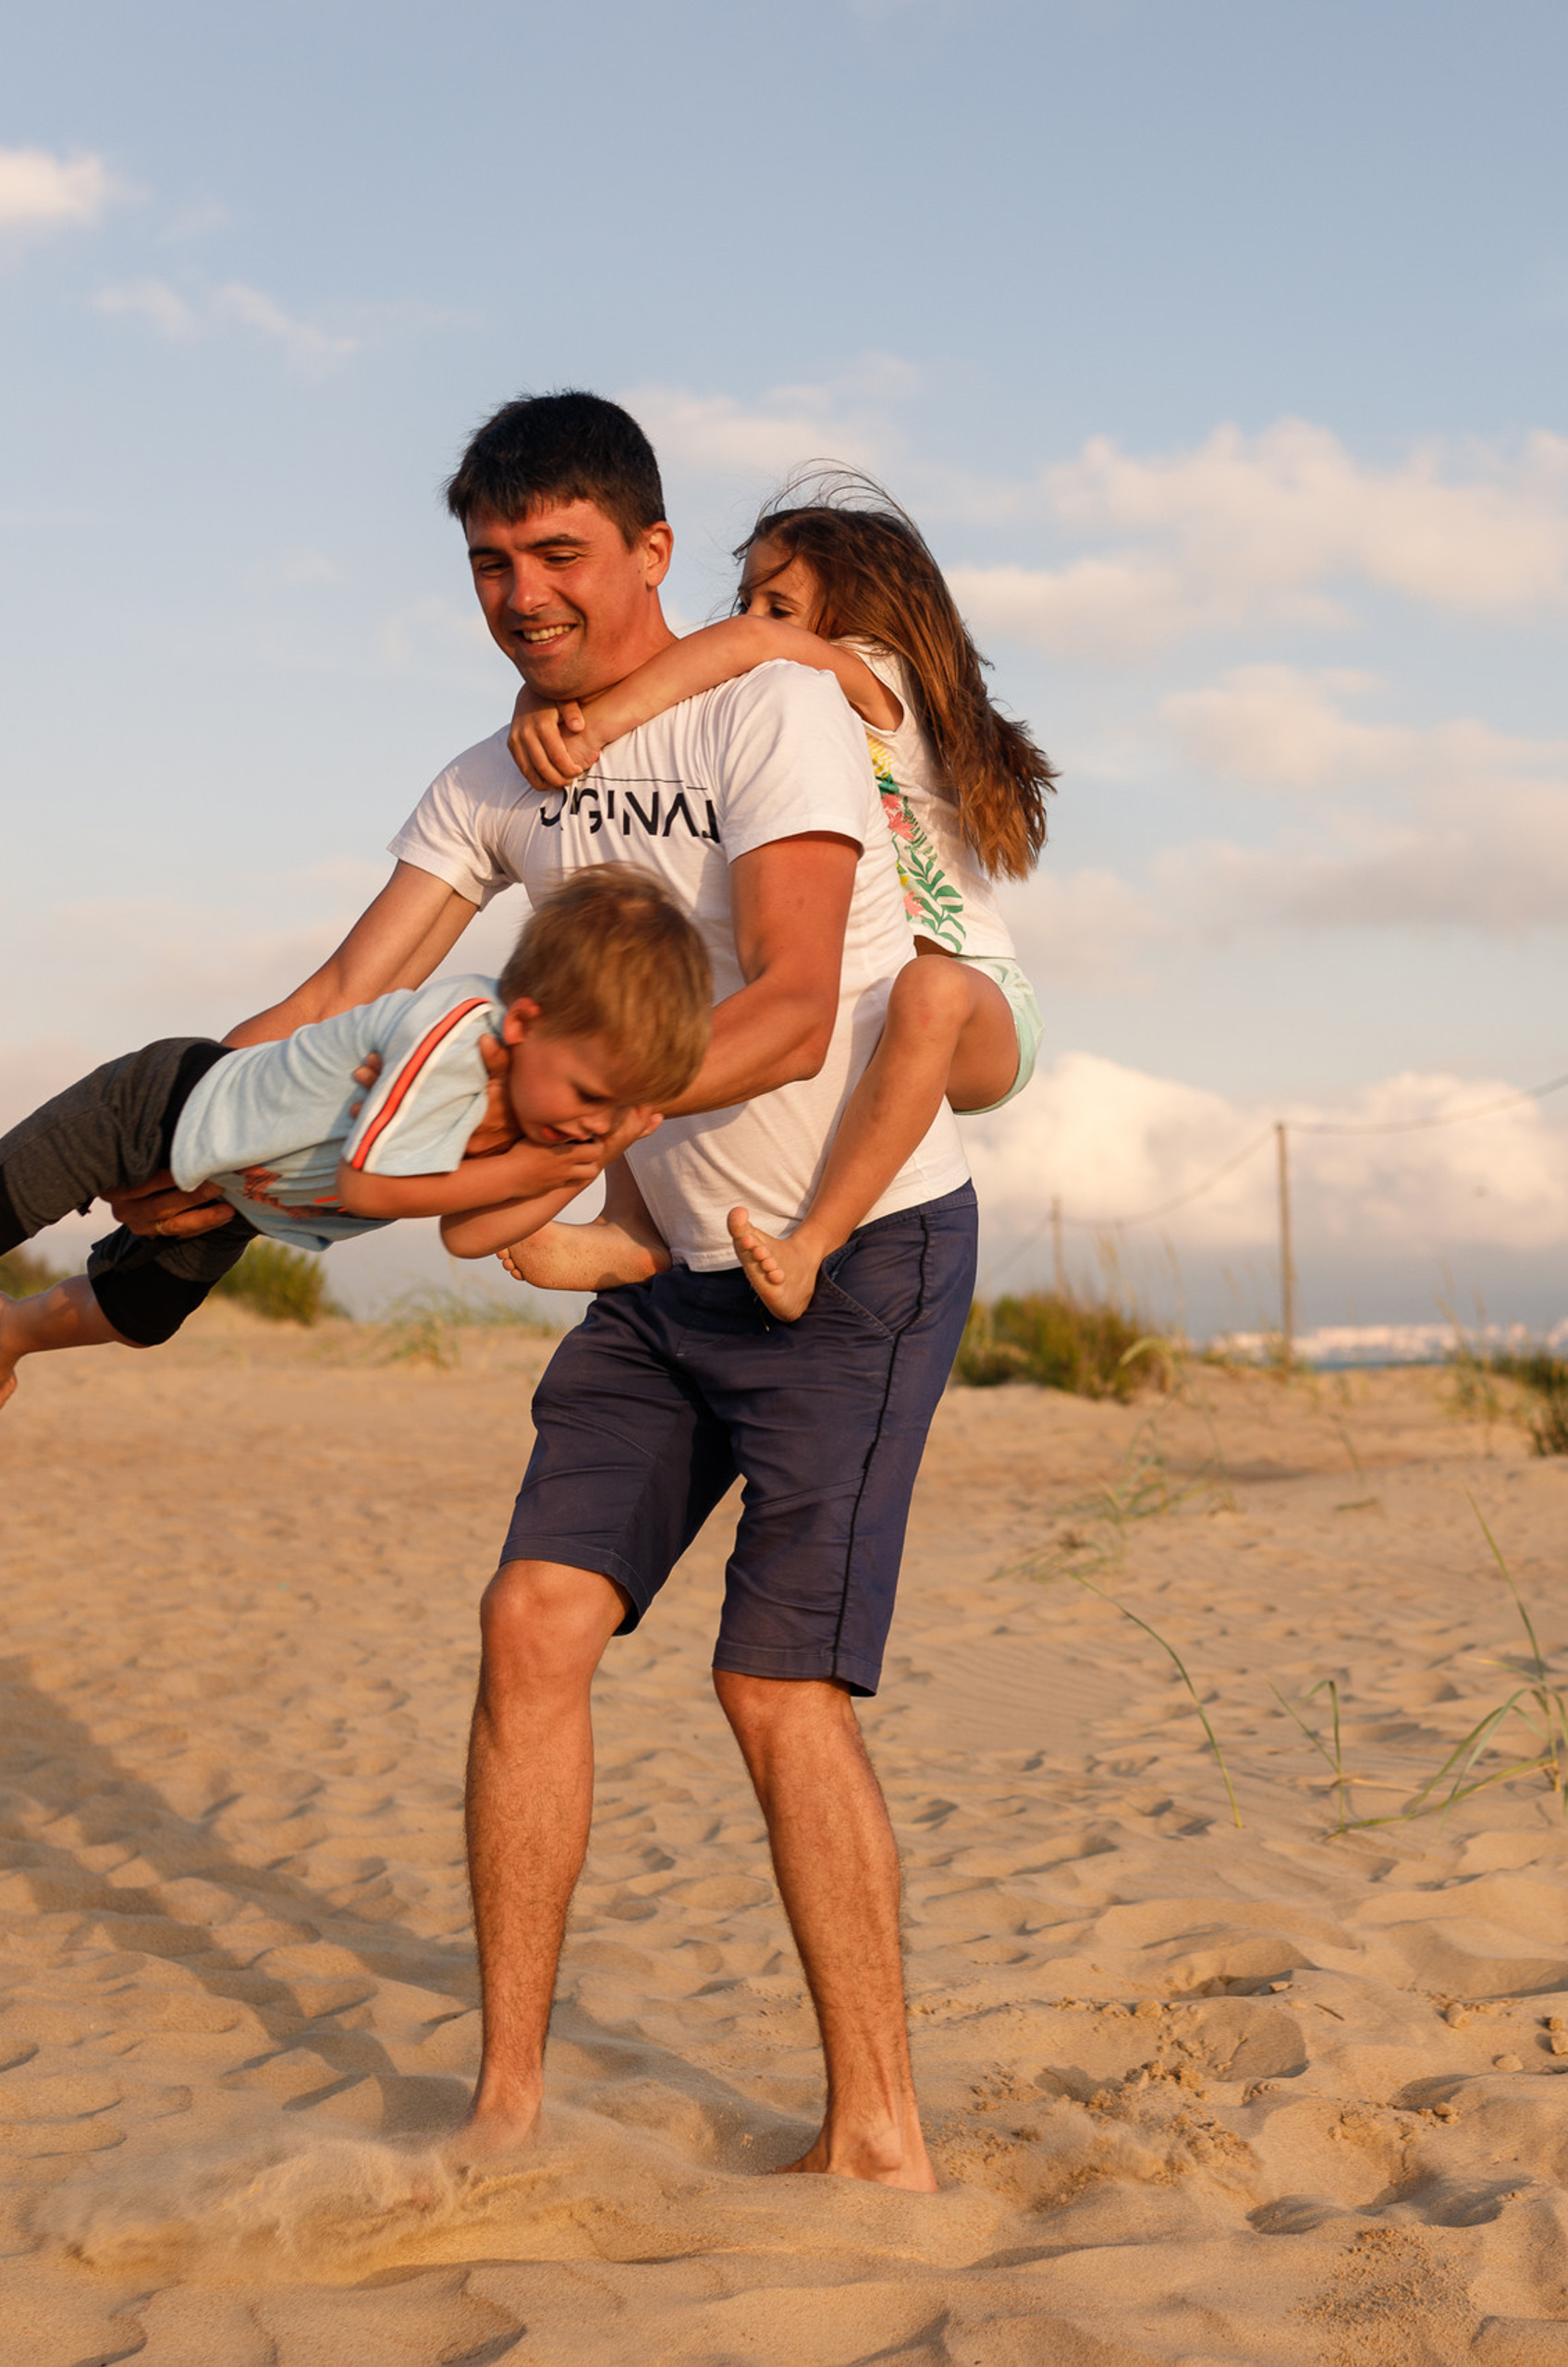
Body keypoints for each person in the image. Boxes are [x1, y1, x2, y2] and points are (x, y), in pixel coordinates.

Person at [107, 391, 977, 2186]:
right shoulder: (488, 780)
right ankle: (504, 2111)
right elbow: (340, 996)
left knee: (773, 1688)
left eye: (559, 553)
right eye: (491, 561)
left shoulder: (772, 711)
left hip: (854, 1256)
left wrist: (562, 1129)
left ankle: (878, 2138)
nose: (523, 593)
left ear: (651, 551)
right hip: (658, 1268)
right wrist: (184, 1133)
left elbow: (788, 1009)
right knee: (531, 1622)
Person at [498, 470, 1053, 1325]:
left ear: (862, 618)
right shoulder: (771, 705)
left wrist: (597, 722)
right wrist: (540, 703)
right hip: (870, 1016)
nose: (754, 619)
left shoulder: (877, 679)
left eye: (779, 605)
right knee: (652, 959)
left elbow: (734, 649)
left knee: (929, 990)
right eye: (748, 598)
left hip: (978, 1005)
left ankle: (816, 1242)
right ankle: (634, 1223)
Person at [0, 865, 698, 1410]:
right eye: (590, 1096)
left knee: (135, 1315)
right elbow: (366, 1186)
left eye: (619, 1112)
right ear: (522, 1024)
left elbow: (469, 1236)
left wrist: (578, 1165)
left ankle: (11, 1331)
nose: (594, 1122)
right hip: (158, 1106)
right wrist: (522, 1172)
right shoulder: (458, 1037)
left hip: (238, 1203)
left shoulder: (545, 1122)